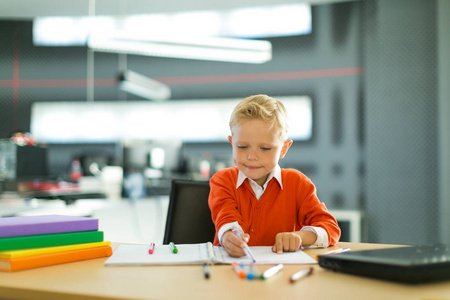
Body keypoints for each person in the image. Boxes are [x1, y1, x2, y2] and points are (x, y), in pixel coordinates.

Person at [208, 94, 340, 257]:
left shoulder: (298, 183)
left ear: (284, 149)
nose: (252, 156)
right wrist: (229, 236)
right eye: (242, 147)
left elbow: (330, 228)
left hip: (281, 273)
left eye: (265, 149)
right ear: (231, 143)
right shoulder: (223, 180)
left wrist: (300, 237)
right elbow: (226, 219)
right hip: (230, 272)